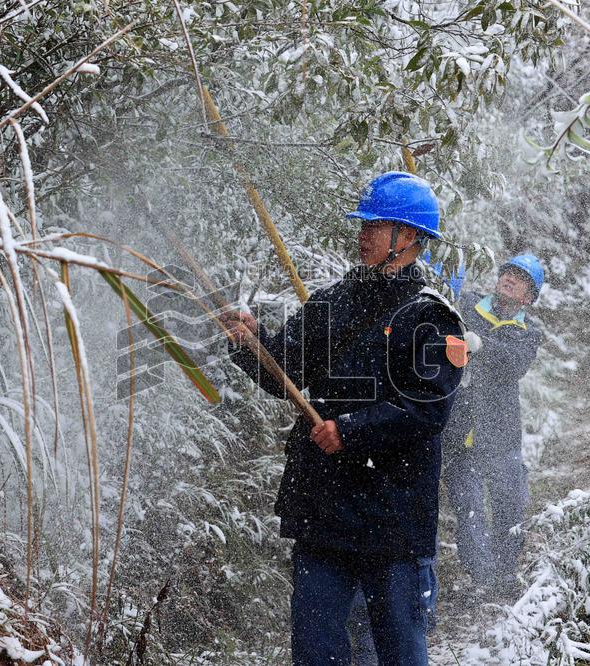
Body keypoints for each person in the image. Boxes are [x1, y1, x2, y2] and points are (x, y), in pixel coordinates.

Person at [222, 172, 467, 666]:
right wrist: (252, 345)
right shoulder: (333, 302)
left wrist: (350, 431)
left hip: (393, 520)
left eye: (376, 226)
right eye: (364, 224)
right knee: (316, 649)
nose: (363, 234)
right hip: (324, 512)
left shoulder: (432, 318)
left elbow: (427, 411)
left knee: (398, 650)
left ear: (410, 238)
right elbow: (286, 371)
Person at [441, 254, 544, 600]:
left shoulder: (528, 333)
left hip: (501, 436)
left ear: (529, 298)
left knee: (509, 507)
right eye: (508, 274)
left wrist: (481, 344)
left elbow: (512, 364)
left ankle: (505, 575)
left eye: (521, 279)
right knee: (469, 511)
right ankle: (483, 581)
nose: (510, 280)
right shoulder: (466, 305)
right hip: (460, 434)